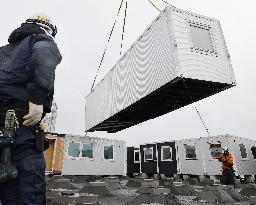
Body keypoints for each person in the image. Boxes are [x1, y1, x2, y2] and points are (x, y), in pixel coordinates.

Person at [0, 14, 62, 205]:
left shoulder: (3, 51)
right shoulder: (41, 39)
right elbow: (44, 54)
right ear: (47, 28)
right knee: (27, 194)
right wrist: (37, 98)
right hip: (21, 133)